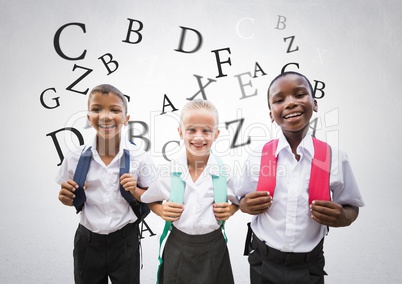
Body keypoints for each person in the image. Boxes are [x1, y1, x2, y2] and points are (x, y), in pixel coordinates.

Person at [236, 71, 365, 284]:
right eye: (279, 100)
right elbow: (241, 200)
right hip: (262, 262)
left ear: (314, 104)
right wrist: (245, 205)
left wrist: (344, 217)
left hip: (309, 266)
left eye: (299, 95)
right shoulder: (257, 157)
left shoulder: (335, 158)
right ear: (271, 114)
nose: (290, 103)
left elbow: (352, 207)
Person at [56, 84, 154, 284]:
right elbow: (66, 195)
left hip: (125, 241)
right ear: (89, 117)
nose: (106, 116)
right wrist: (65, 198)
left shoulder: (140, 157)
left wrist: (136, 190)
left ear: (126, 119)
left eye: (115, 110)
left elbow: (152, 196)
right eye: (97, 109)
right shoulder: (74, 157)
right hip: (87, 241)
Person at [134, 99, 239, 284]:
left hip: (214, 249)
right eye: (191, 129)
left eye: (206, 130)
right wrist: (160, 210)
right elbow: (148, 198)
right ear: (181, 132)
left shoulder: (224, 172)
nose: (199, 137)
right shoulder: (168, 171)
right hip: (178, 248)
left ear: (216, 134)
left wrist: (231, 210)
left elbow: (241, 199)